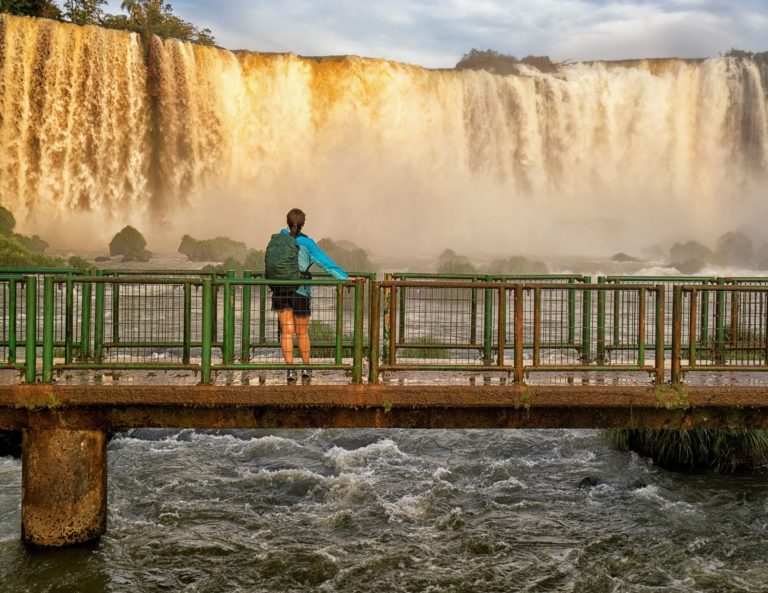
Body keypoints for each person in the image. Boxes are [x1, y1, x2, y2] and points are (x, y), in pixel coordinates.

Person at [271, 208, 351, 383]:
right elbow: (325, 263)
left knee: (286, 331)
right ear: (303, 224)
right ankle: (306, 367)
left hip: (280, 290)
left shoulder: (278, 239)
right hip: (300, 291)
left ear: (287, 222)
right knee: (302, 333)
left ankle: (290, 371)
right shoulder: (307, 243)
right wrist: (346, 278)